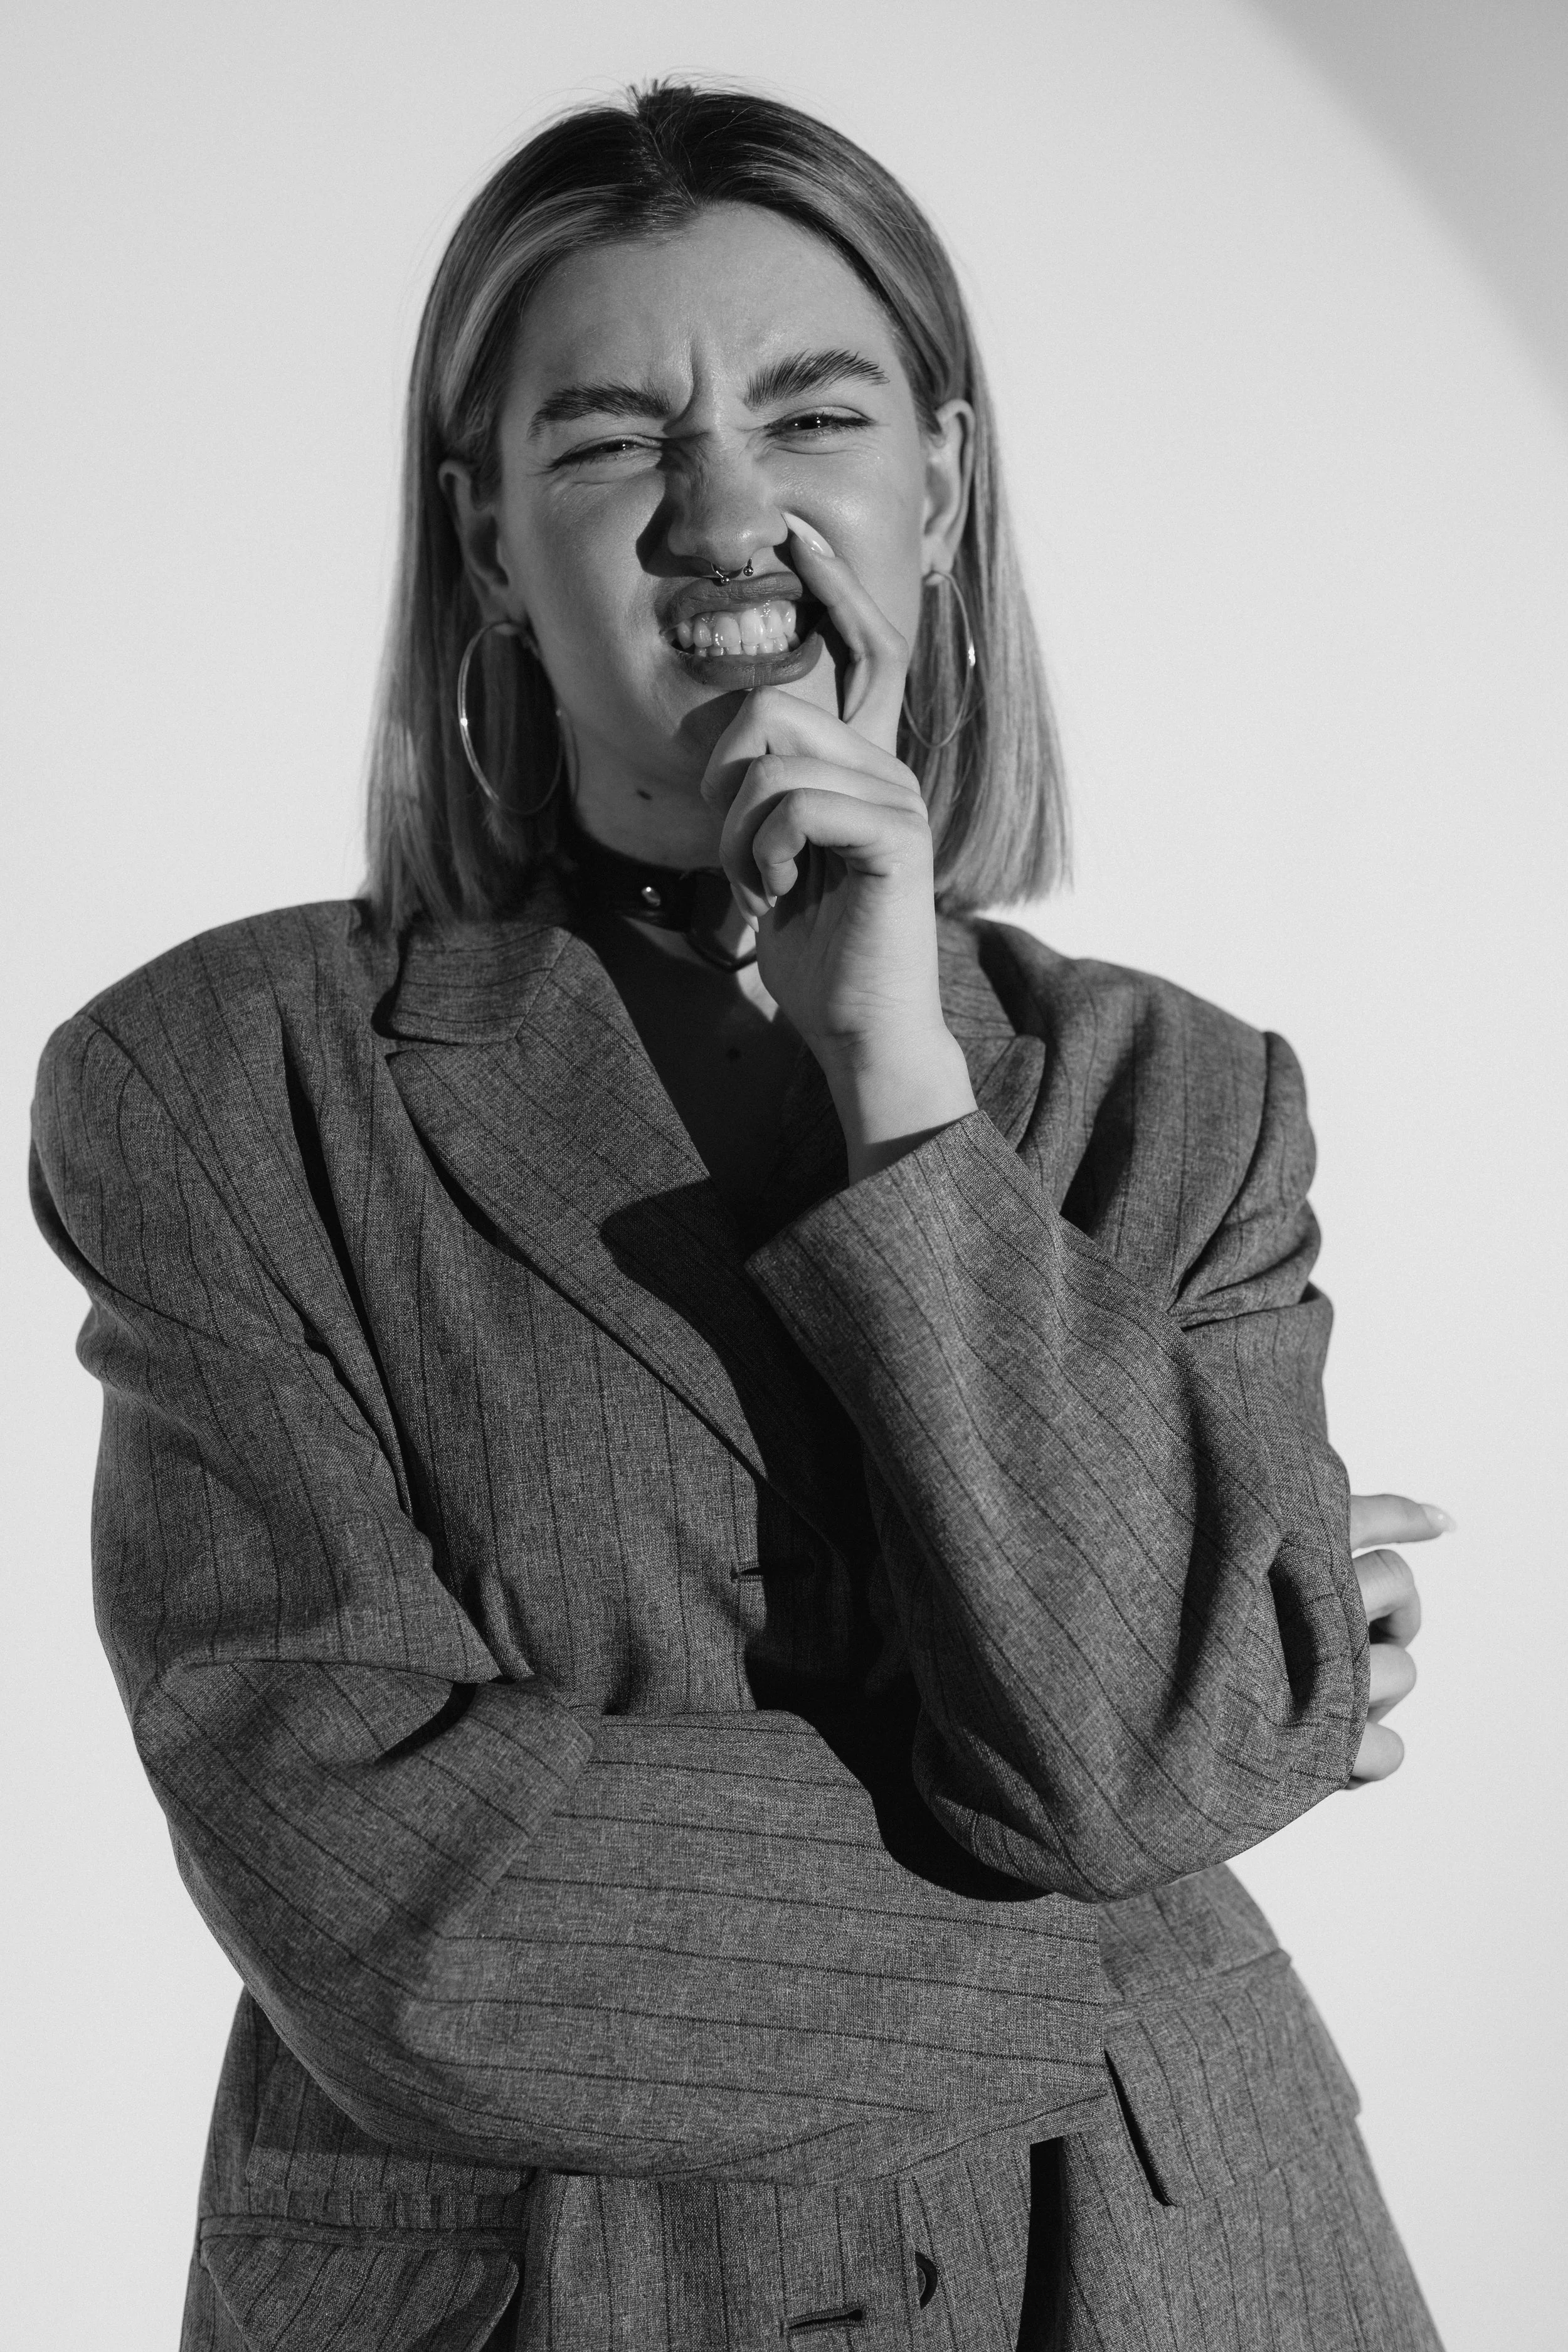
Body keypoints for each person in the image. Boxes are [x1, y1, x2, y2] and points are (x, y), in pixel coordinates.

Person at [30, 81, 1448, 2352]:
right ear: (488, 537)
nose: (722, 513)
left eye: (813, 415)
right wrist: (1148, 1808)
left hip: (1164, 2273)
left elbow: (1134, 1758)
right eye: (611, 439)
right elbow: (395, 1911)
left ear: (937, 492)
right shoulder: (223, 1084)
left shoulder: (1180, 1100)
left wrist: (900, 1083)